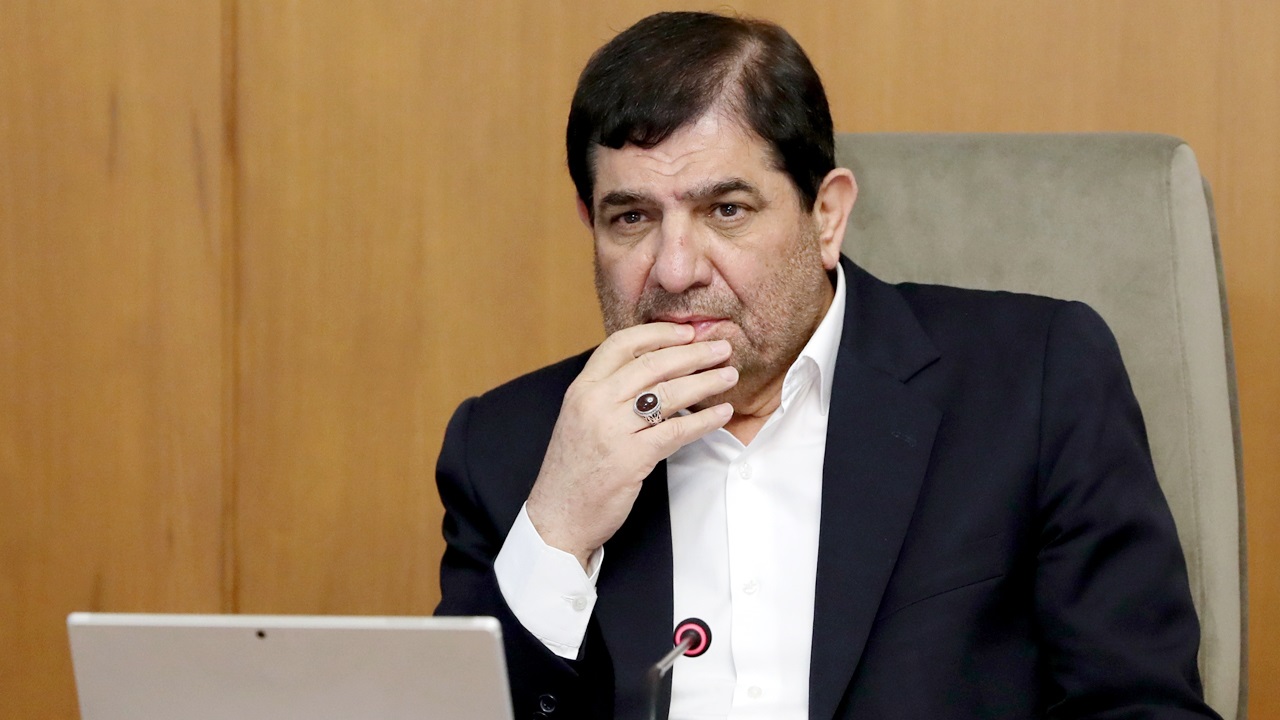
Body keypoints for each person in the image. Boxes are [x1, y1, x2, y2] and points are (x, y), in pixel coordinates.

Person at [435, 11, 1218, 720]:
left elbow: (1141, 708)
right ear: (591, 224)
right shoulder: (507, 448)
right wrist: (559, 530)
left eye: (726, 210)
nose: (674, 270)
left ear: (827, 214)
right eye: (632, 217)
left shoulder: (1033, 382)